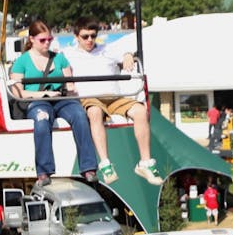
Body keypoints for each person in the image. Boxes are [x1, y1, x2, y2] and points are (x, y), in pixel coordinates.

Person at [65, 19, 163, 185]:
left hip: (113, 96)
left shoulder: (106, 49)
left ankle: (145, 162)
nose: (89, 40)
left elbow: (125, 52)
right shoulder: (68, 53)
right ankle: (105, 163)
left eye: (93, 36)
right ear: (76, 37)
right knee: (94, 113)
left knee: (140, 111)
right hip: (90, 97)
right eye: (85, 36)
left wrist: (127, 55)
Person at [7, 20, 99, 188]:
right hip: (37, 101)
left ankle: (88, 167)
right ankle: (43, 171)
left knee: (79, 115)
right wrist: (42, 94)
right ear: (32, 39)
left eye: (49, 39)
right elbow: (18, 92)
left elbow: (70, 85)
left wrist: (68, 90)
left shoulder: (59, 58)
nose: (47, 43)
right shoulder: (22, 61)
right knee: (41, 120)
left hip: (60, 99)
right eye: (42, 40)